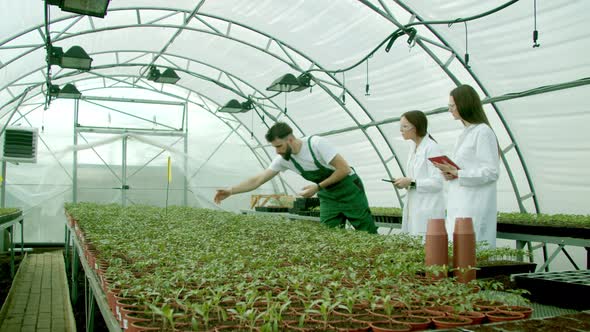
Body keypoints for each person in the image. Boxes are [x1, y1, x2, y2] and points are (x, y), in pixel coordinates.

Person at [214, 122, 378, 234]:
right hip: (328, 195)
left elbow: (344, 169)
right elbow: (258, 179)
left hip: (350, 190)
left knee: (366, 232)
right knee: (330, 234)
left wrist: (317, 187)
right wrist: (231, 190)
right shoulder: (284, 159)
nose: (277, 151)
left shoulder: (316, 144)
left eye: (279, 146)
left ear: (290, 140)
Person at [432, 84, 500, 248]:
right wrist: (450, 173)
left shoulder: (483, 132)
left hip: (475, 203)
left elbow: (491, 172)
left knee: (471, 250)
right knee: (457, 249)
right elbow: (462, 169)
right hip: (460, 201)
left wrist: (458, 173)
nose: (450, 110)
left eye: (452, 106)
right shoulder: (465, 133)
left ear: (465, 104)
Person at [394, 111, 445, 237]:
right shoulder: (413, 147)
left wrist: (412, 182)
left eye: (405, 127)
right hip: (415, 206)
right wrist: (405, 183)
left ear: (415, 127)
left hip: (428, 207)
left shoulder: (432, 148)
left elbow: (438, 182)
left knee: (428, 245)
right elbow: (414, 177)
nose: (401, 130)